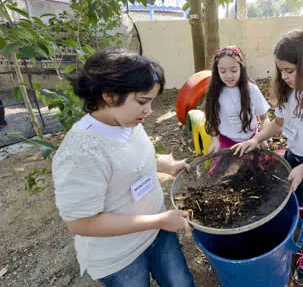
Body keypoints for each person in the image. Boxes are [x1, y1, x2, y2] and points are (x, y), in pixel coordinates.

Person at [52, 48, 195, 287]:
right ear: (109, 96)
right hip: (119, 256)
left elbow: (131, 161)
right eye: (142, 101)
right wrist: (158, 220)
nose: (149, 111)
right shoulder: (80, 153)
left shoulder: (127, 121)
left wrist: (166, 166)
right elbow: (81, 222)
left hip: (157, 234)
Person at [232, 30, 303, 285]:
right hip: (295, 158)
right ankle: (293, 237)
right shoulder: (289, 91)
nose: (283, 76)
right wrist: (256, 140)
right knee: (291, 203)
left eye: (289, 70)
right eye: (280, 70)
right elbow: (279, 123)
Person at [204, 46, 271, 153]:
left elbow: (264, 118)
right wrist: (215, 141)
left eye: (234, 70)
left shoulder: (252, 90)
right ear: (217, 72)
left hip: (251, 142)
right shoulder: (214, 93)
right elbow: (211, 121)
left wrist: (260, 138)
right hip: (226, 143)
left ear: (241, 69)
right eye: (223, 71)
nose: (229, 76)